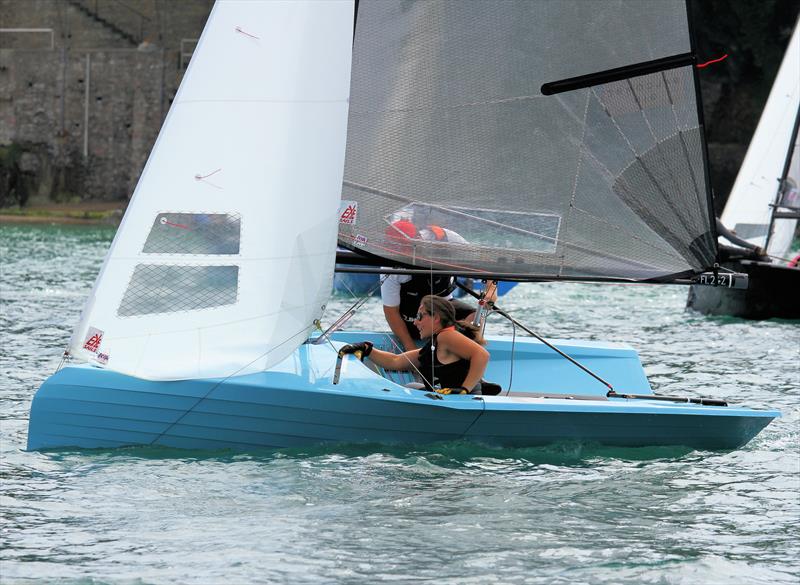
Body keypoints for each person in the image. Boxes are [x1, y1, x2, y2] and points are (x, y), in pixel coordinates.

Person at [339, 295, 490, 394]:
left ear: (436, 318)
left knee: (410, 389)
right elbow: (395, 361)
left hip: (463, 402)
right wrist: (367, 349)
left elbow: (482, 355)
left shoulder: (446, 336)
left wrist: (464, 389)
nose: (415, 322)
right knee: (411, 387)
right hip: (448, 398)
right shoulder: (436, 343)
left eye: (419, 316)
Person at [381, 219, 480, 352]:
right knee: (426, 323)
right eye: (401, 254)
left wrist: (491, 292)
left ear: (418, 238)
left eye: (408, 249)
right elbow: (391, 312)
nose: (406, 256)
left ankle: (455, 353)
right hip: (412, 316)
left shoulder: (448, 239)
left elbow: (484, 263)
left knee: (475, 316)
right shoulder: (390, 267)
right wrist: (410, 348)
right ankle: (432, 353)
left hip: (443, 305)